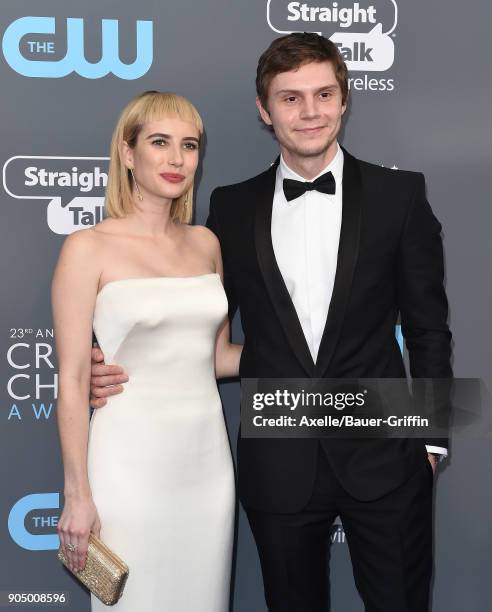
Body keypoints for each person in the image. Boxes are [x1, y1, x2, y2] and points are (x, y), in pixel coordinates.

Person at [90, 34, 453, 611]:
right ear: (265, 111)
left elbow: (430, 327)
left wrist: (431, 439)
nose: (309, 112)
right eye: (290, 99)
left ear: (343, 100)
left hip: (386, 456)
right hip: (277, 455)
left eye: (322, 94)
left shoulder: (400, 195)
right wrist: (111, 364)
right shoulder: (231, 209)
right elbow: (194, 326)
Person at [52, 91, 240, 611]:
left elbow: (219, 358)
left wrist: (308, 350)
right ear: (129, 154)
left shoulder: (206, 243)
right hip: (128, 465)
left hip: (206, 465)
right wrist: (77, 494)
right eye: (160, 143)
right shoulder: (87, 247)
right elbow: (70, 379)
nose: (177, 159)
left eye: (189, 145)